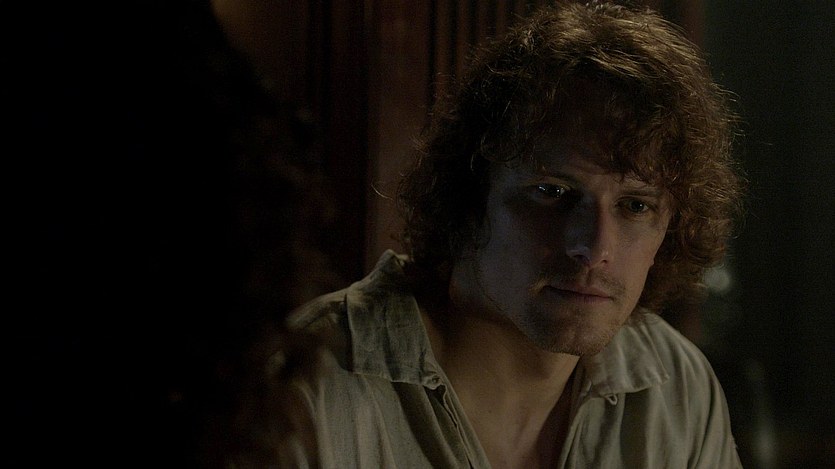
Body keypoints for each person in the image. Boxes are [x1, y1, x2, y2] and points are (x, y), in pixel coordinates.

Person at [276, 1, 745, 467]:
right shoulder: (308, 389)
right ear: (471, 194)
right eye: (552, 192)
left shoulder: (675, 388)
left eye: (635, 206)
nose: (594, 247)